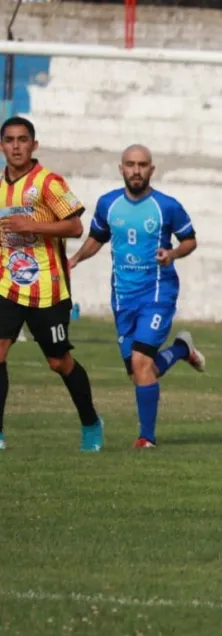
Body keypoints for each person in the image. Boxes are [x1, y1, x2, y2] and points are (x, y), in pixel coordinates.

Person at [69, 145, 205, 449]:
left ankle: (147, 438)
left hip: (157, 292)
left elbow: (190, 240)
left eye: (142, 165)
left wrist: (172, 253)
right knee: (140, 372)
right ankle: (181, 349)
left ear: (151, 170)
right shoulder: (108, 204)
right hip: (123, 297)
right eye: (130, 164)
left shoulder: (166, 206)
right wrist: (75, 259)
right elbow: (97, 237)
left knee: (142, 362)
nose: (136, 170)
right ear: (121, 169)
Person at [0, 116, 104, 452]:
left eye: (22, 139)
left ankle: (90, 422)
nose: (16, 146)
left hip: (49, 288)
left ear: (34, 145)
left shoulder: (48, 182)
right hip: (7, 286)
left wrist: (33, 226)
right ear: (2, 146)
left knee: (58, 362)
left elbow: (75, 227)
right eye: (10, 140)